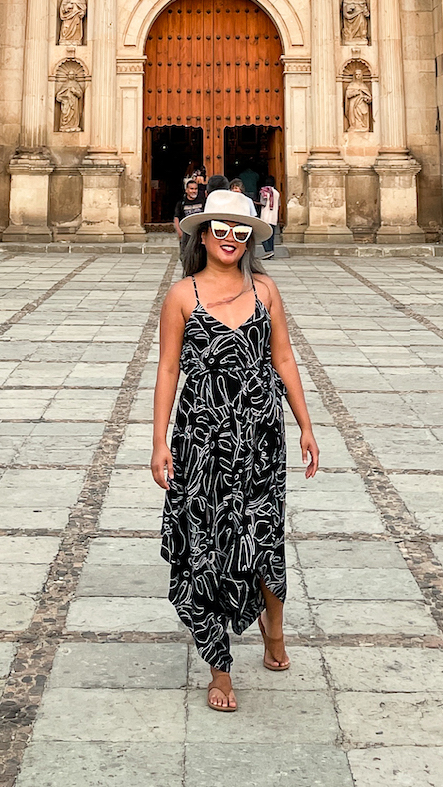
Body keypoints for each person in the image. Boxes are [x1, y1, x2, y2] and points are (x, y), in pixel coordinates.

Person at [153, 189, 319, 714]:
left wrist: (306, 426)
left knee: (265, 536)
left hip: (260, 437)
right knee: (207, 544)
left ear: (250, 237)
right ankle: (219, 668)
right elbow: (167, 370)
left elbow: (285, 359)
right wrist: (159, 441)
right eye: (219, 228)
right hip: (201, 439)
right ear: (202, 235)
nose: (230, 237)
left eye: (239, 229)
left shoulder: (266, 290)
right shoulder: (181, 295)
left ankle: (275, 629)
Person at [174, 171, 206, 239]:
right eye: (191, 189)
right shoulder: (181, 203)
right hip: (186, 234)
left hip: (200, 233)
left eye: (196, 189)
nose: (194, 191)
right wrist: (179, 232)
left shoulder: (202, 201)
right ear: (186, 190)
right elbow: (176, 218)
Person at [258, 174, 280, 260]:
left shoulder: (264, 191)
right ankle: (271, 250)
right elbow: (278, 204)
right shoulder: (277, 193)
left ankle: (268, 251)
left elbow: (263, 203)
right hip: (273, 216)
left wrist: (255, 203)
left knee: (262, 235)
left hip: (265, 216)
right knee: (271, 236)